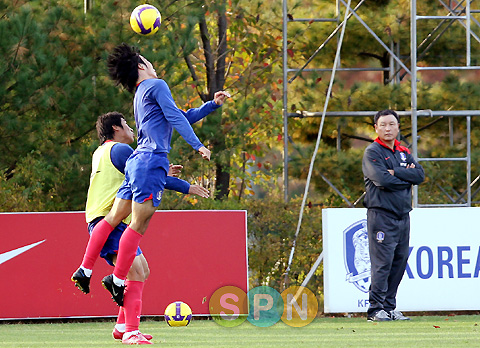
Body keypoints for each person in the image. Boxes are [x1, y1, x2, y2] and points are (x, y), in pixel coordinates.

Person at [79, 43, 229, 343]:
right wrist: (197, 144)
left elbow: (178, 114)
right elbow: (176, 118)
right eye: (147, 60)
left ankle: (90, 274)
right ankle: (117, 281)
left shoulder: (140, 94)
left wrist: (211, 105)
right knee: (139, 224)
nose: (152, 64)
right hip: (152, 159)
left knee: (115, 219)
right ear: (140, 67)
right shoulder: (156, 84)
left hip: (139, 163)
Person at [72, 112, 209, 344]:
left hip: (104, 220)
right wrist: (186, 187)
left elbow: (139, 175)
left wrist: (161, 173)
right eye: (126, 125)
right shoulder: (121, 150)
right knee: (134, 272)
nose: (131, 129)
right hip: (109, 221)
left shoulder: (101, 152)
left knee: (142, 271)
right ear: (116, 128)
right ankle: (131, 332)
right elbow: (143, 176)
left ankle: (122, 326)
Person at [362, 109, 425, 322]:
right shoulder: (373, 152)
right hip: (381, 216)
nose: (387, 128)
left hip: (402, 216)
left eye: (391, 124)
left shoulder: (403, 152)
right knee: (383, 262)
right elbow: (382, 181)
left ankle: (389, 307)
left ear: (398, 127)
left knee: (399, 261)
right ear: (376, 128)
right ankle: (375, 309)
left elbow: (419, 175)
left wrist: (396, 172)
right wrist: (404, 177)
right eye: (383, 125)